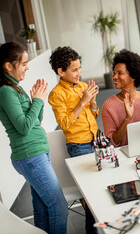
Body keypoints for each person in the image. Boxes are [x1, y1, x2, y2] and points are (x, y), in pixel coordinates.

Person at [0, 41, 68, 233]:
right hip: (30, 156)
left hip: (37, 154)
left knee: (42, 208)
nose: (28, 66)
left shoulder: (15, 88)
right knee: (59, 207)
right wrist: (38, 101)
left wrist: (37, 102)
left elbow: (35, 120)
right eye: (24, 63)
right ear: (8, 66)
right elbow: (24, 127)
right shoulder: (5, 92)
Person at [48, 46, 98, 234]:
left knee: (99, 190)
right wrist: (83, 102)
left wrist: (92, 103)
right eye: (75, 69)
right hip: (80, 147)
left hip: (95, 141)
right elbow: (65, 124)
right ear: (61, 72)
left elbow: (94, 114)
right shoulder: (56, 94)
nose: (79, 73)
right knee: (91, 195)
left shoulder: (83, 87)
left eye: (80, 68)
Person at [102, 49, 140, 146]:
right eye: (114, 73)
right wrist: (127, 119)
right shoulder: (108, 106)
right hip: (122, 156)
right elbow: (113, 142)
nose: (114, 77)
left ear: (133, 76)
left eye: (120, 73)